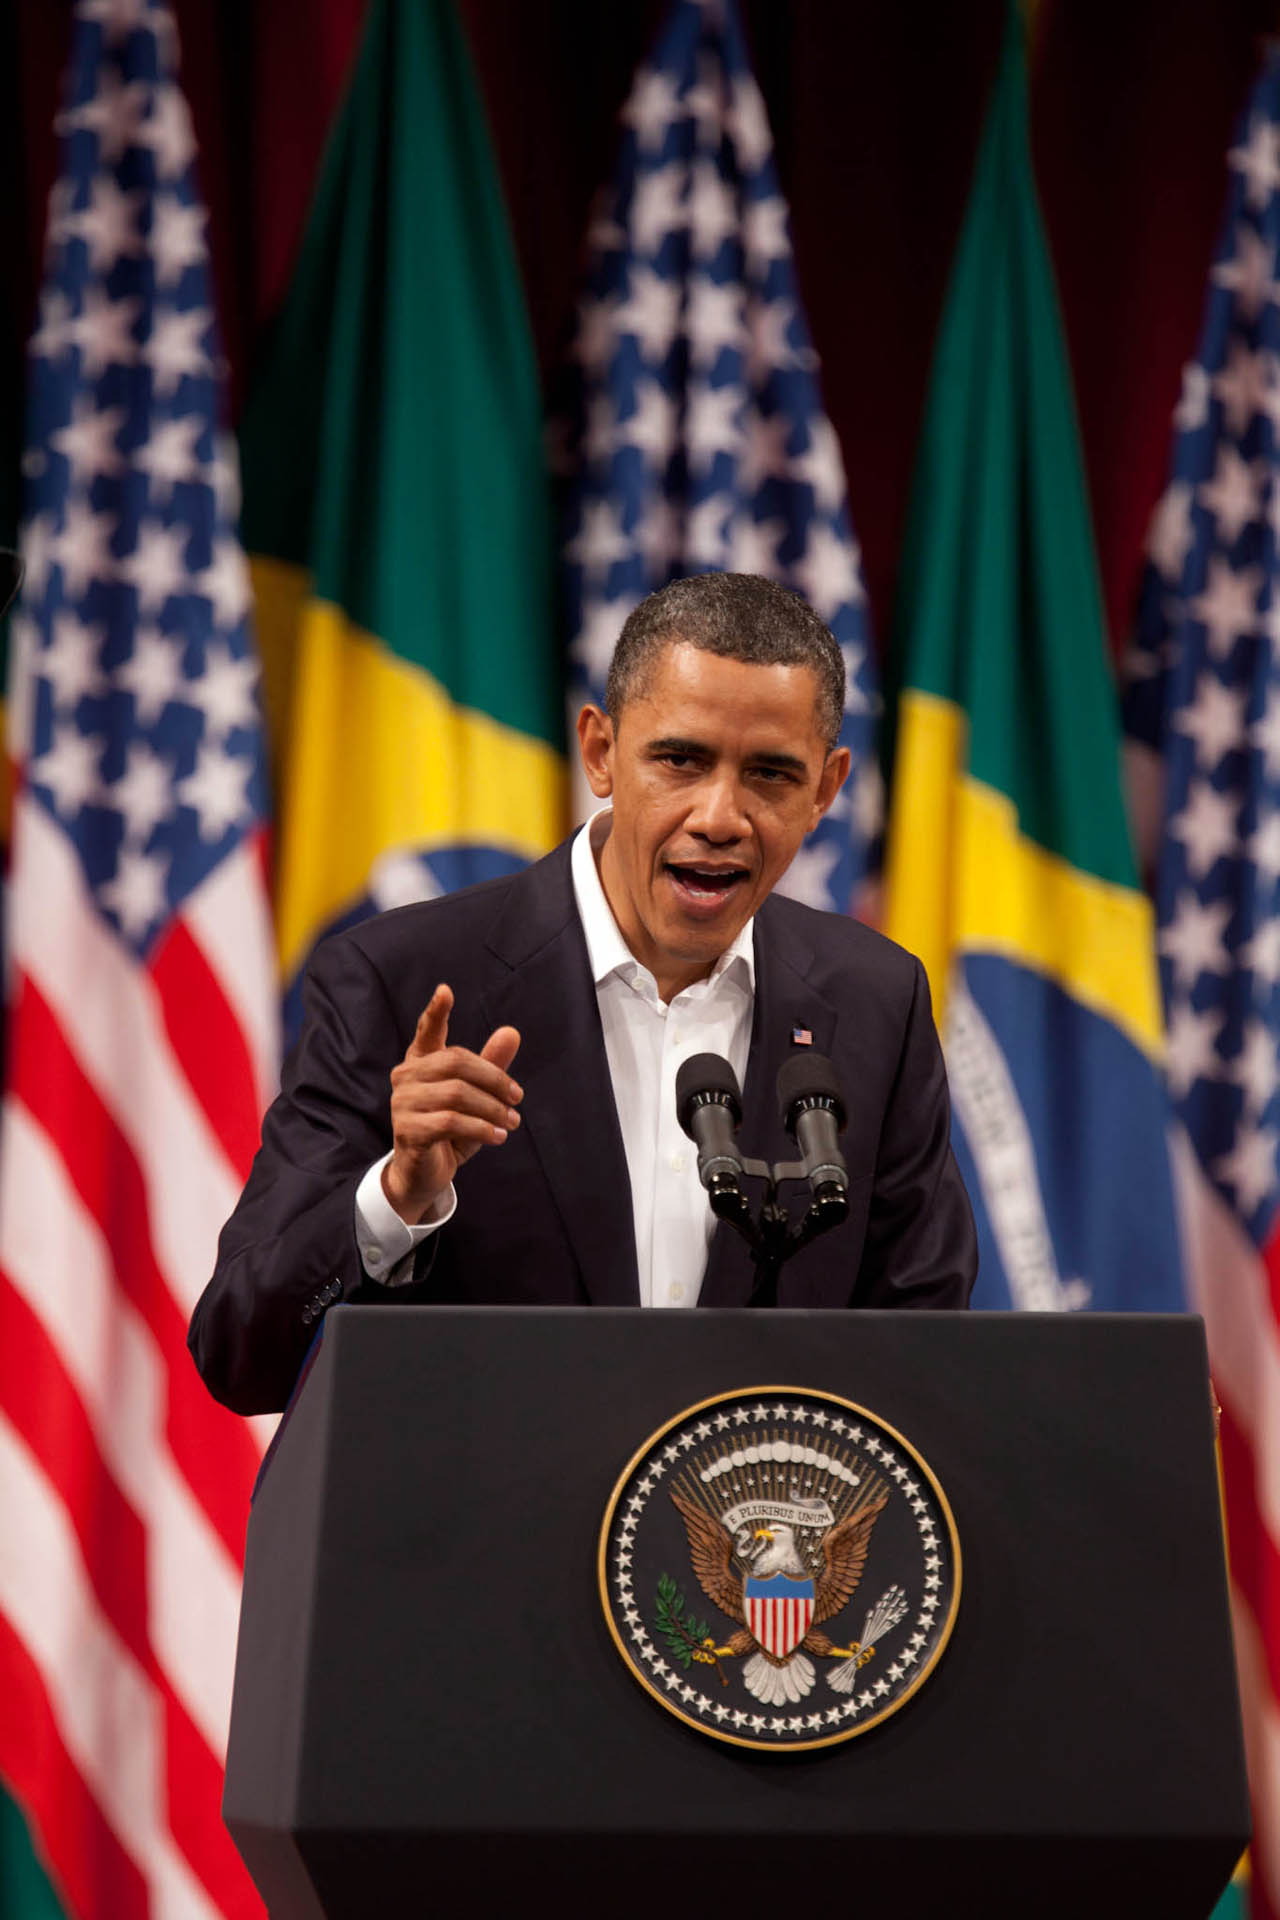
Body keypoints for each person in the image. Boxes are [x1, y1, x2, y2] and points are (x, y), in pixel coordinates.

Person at [189, 573, 976, 1413]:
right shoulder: (402, 981)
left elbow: (923, 1358)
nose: (720, 815)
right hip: (486, 1539)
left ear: (826, 788)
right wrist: (395, 1197)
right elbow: (241, 1353)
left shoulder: (875, 1004)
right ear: (601, 752)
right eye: (680, 759)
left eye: (771, 776)